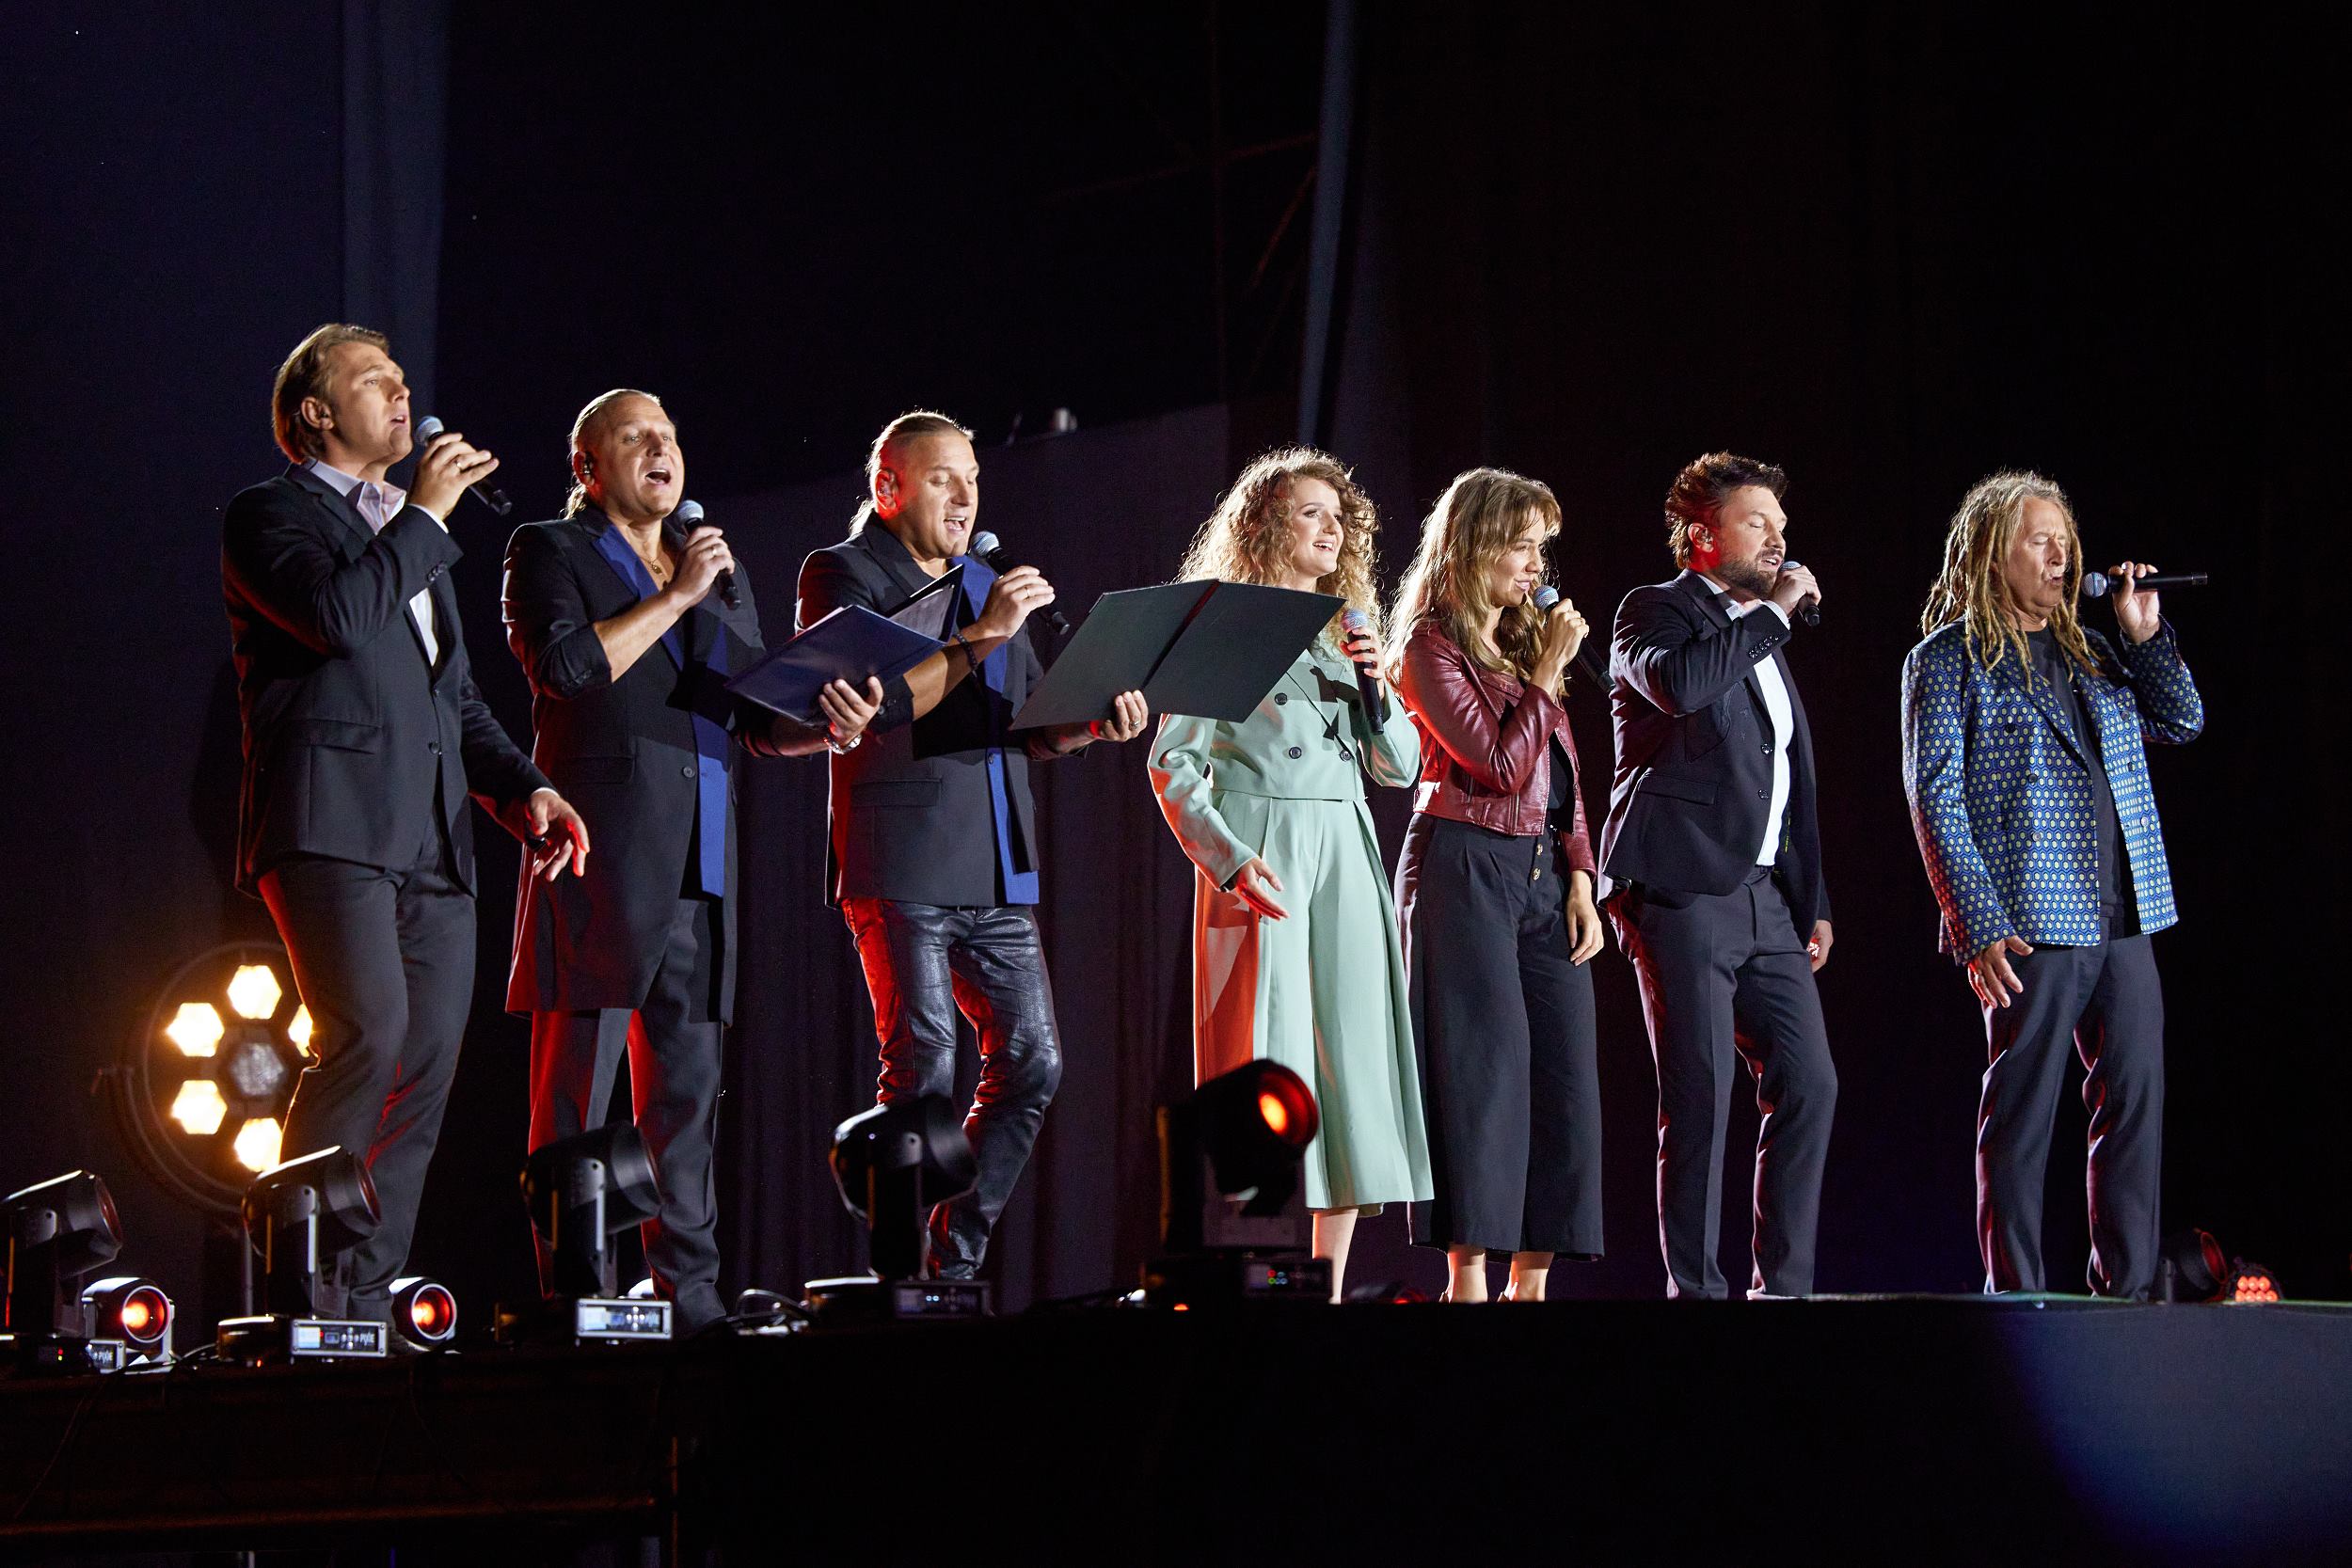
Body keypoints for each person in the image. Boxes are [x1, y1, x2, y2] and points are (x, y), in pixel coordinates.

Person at [221, 323, 587, 1323]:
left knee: (423, 1065)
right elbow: (334, 619)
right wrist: (423, 513)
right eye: (373, 380)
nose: (400, 393)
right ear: (315, 411)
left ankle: (366, 1296)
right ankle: (302, 1287)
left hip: (435, 841)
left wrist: (523, 789)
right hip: (331, 824)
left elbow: (454, 698)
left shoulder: (408, 529)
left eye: (400, 376)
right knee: (364, 1036)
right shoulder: (269, 515)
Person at [503, 389, 881, 1331]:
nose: (663, 451)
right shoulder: (548, 549)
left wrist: (823, 726)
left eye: (670, 436)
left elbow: (751, 714)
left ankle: (693, 1296)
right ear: (588, 465)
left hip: (703, 862)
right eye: (636, 438)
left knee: (686, 1094)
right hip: (597, 853)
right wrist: (675, 595)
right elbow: (568, 672)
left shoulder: (713, 564)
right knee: (579, 1092)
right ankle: (575, 1294)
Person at [796, 410, 1149, 1279]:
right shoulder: (845, 571)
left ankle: (952, 1249)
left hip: (997, 858)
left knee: (1034, 1061)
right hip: (903, 852)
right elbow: (873, 700)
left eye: (973, 479)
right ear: (889, 488)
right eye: (942, 477)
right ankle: (895, 1274)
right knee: (923, 1065)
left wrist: (1092, 725)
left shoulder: (986, 580)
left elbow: (1027, 725)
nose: (964, 495)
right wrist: (981, 630)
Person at [1901, 472, 2201, 1298]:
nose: (2061, 552)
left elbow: (2183, 719)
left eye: (2065, 537)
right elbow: (1935, 797)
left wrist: (2144, 636)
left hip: (2127, 910)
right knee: (2023, 1115)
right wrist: (1974, 920)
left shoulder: (2096, 651)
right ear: (1995, 551)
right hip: (2030, 918)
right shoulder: (1949, 657)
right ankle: (2020, 1295)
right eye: (2040, 538)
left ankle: (2131, 1293)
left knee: (2135, 1103)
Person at [1147, 449, 1431, 1301]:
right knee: (1260, 1063)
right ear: (1266, 525)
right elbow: (1172, 761)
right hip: (1263, 843)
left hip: (1344, 843)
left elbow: (1401, 764)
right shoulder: (1223, 624)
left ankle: (1329, 1290)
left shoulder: (1347, 631)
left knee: (1347, 1056)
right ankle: (1249, 1284)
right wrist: (1229, 859)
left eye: (1338, 515)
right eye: (1311, 511)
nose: (1332, 527)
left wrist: (1377, 685)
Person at [1600, 451, 1836, 1301]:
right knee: (1698, 1094)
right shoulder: (1652, 612)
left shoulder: (1761, 634)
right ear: (1701, 536)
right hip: (1680, 882)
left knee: (1809, 1081)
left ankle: (1784, 1291)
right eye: (1757, 524)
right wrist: (1770, 613)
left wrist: (1812, 899)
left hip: (1765, 896)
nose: (1777, 540)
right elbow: (1681, 688)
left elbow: (1787, 774)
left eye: (1780, 526)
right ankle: (1695, 1296)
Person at [1387, 467, 1606, 1304]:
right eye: (1519, 544)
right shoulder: (1427, 648)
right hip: (1463, 862)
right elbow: (1497, 763)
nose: (1533, 564)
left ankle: (1533, 1286)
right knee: (1484, 1073)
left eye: (1539, 546)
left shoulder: (1519, 647)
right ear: (1473, 546)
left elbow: (1561, 773)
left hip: (1544, 876)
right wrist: (1548, 676)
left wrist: (1582, 873)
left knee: (1563, 1078)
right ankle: (1469, 1284)